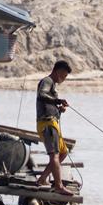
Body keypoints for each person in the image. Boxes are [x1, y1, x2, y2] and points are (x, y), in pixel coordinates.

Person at [35, 60, 73, 195]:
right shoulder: (47, 81)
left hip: (52, 122)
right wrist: (58, 100)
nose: (63, 79)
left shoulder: (52, 85)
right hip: (47, 123)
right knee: (54, 155)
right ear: (58, 71)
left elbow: (47, 102)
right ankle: (58, 186)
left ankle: (43, 178)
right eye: (64, 76)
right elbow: (42, 94)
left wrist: (59, 110)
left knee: (63, 152)